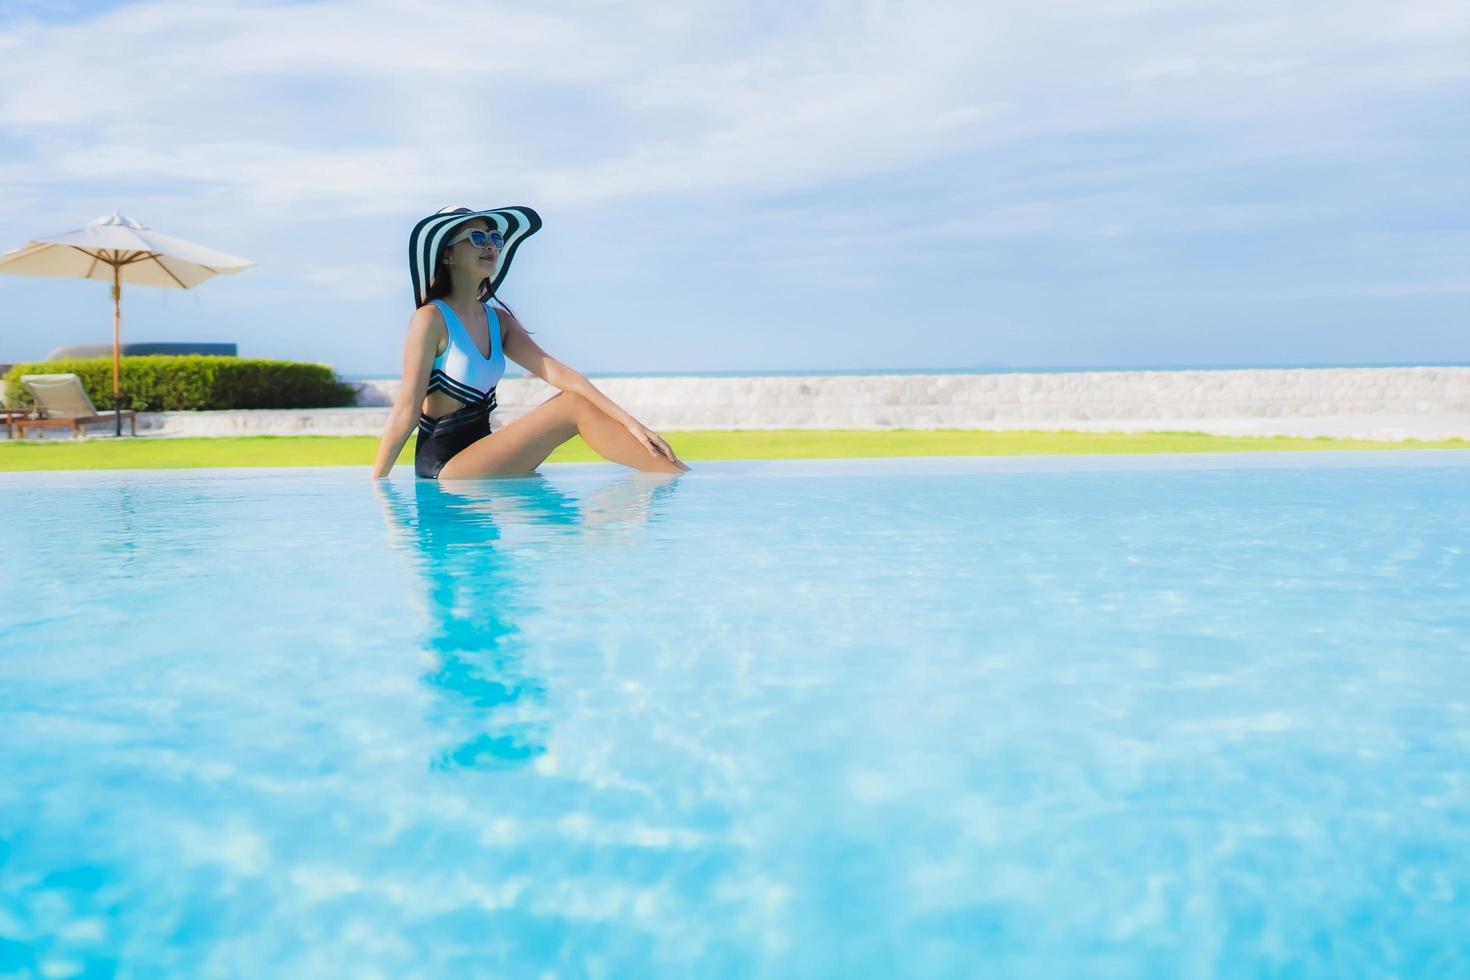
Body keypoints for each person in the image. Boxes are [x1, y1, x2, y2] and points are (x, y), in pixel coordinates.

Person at [371, 205, 689, 480]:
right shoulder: (431, 319)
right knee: (573, 406)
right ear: (449, 254)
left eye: (495, 238)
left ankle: (675, 477)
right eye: (477, 238)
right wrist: (378, 484)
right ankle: (679, 481)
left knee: (574, 402)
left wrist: (632, 423)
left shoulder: (499, 321)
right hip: (445, 465)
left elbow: (561, 375)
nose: (491, 245)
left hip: (484, 455)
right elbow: (407, 409)